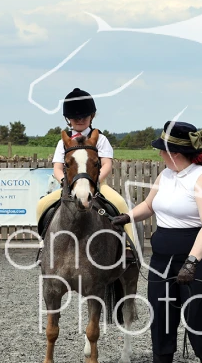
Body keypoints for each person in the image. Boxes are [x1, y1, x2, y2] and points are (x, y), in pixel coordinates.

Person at [111, 121, 202, 363]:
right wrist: (126, 217)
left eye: (163, 150)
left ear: (175, 153)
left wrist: (191, 262)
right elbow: (149, 206)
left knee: (200, 318)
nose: (160, 155)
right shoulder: (165, 175)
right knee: (162, 320)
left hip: (197, 259)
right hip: (161, 260)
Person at [35, 88, 135, 246]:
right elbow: (57, 168)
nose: (79, 120)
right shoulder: (63, 142)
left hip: (97, 184)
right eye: (75, 117)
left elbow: (107, 164)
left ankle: (129, 247)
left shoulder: (100, 139)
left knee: (120, 203)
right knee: (42, 205)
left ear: (91, 116)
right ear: (68, 119)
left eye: (84, 116)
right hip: (70, 186)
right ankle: (44, 244)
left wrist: (94, 182)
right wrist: (65, 183)